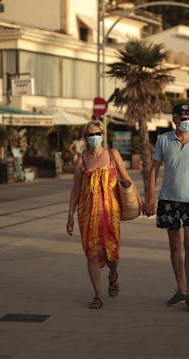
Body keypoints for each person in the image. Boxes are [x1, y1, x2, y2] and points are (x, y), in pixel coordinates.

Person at [66, 121, 141, 309]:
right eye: (90, 135)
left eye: (97, 133)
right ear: (85, 138)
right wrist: (69, 216)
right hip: (87, 214)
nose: (94, 137)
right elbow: (75, 190)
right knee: (91, 253)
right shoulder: (82, 161)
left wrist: (141, 203)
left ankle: (113, 274)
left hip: (110, 212)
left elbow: (127, 179)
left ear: (103, 134)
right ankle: (98, 295)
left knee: (112, 254)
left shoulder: (112, 155)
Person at [144, 103, 189, 312]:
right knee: (174, 246)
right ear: (174, 120)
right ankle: (180, 289)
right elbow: (153, 170)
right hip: (168, 200)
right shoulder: (164, 140)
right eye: (184, 118)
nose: (188, 121)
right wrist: (151, 198)